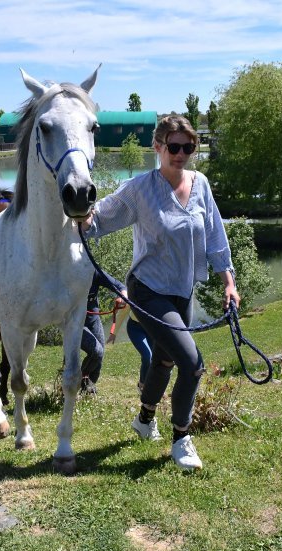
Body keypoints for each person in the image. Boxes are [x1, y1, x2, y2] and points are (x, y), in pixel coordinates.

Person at [80, 114, 239, 471]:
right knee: (191, 364)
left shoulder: (201, 185)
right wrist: (80, 211)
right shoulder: (141, 189)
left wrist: (229, 282)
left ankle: (144, 418)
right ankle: (181, 439)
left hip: (182, 290)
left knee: (165, 360)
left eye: (188, 147)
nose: (181, 154)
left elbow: (215, 236)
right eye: (174, 146)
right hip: (148, 290)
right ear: (158, 147)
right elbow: (100, 219)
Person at [80, 270, 126, 395]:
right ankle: (79, 380)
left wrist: (123, 296)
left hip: (93, 319)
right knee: (97, 352)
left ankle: (88, 388)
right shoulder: (66, 271)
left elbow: (119, 285)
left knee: (100, 355)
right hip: (74, 322)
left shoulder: (93, 271)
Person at [107, 303, 152, 396]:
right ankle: (142, 385)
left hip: (152, 328)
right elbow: (122, 313)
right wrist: (113, 333)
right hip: (135, 328)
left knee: (157, 358)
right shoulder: (134, 293)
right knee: (147, 356)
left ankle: (156, 387)